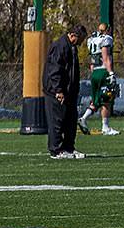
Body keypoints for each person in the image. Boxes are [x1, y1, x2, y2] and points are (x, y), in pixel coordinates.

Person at [44, 24, 87, 160]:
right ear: (73, 35)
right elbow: (54, 69)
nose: (81, 43)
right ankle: (56, 150)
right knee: (57, 121)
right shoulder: (60, 46)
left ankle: (69, 148)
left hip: (69, 92)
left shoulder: (71, 47)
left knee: (70, 121)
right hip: (56, 92)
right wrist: (58, 90)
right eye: (81, 39)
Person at [78, 21, 119, 136]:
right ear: (107, 29)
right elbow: (106, 58)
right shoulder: (106, 39)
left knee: (96, 100)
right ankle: (105, 127)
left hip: (94, 72)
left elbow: (92, 59)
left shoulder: (91, 40)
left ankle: (83, 118)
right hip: (102, 70)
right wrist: (110, 73)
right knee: (107, 99)